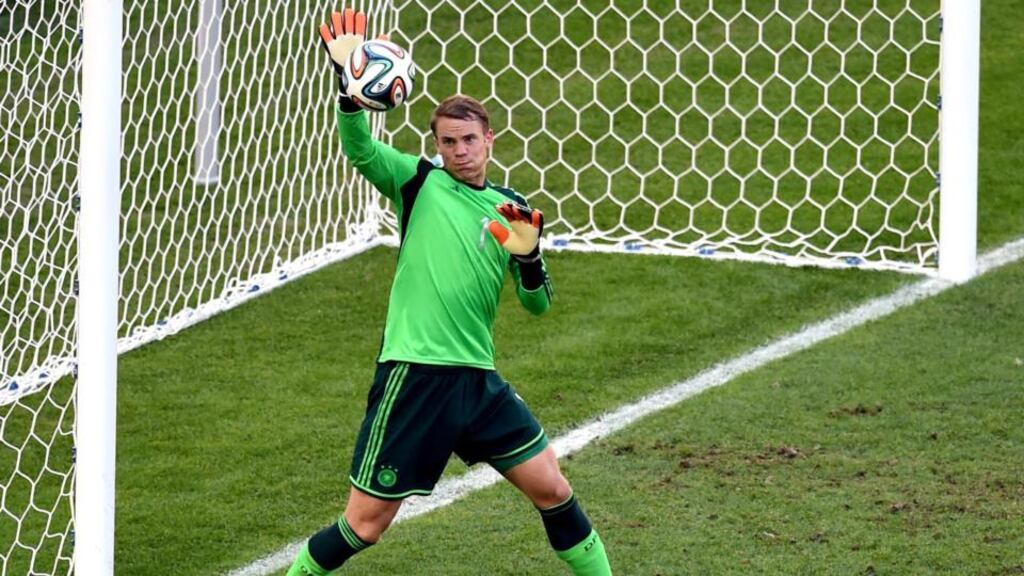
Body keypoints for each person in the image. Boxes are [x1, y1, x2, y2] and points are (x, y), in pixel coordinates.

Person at [286, 8, 612, 575]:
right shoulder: (418, 182)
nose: (459, 151)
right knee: (365, 525)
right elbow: (360, 149)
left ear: (488, 139)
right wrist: (349, 92)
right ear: (436, 145)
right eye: (448, 142)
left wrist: (530, 258)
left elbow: (537, 304)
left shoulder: (510, 210)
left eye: (468, 140)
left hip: (478, 381)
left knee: (553, 488)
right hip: (415, 374)